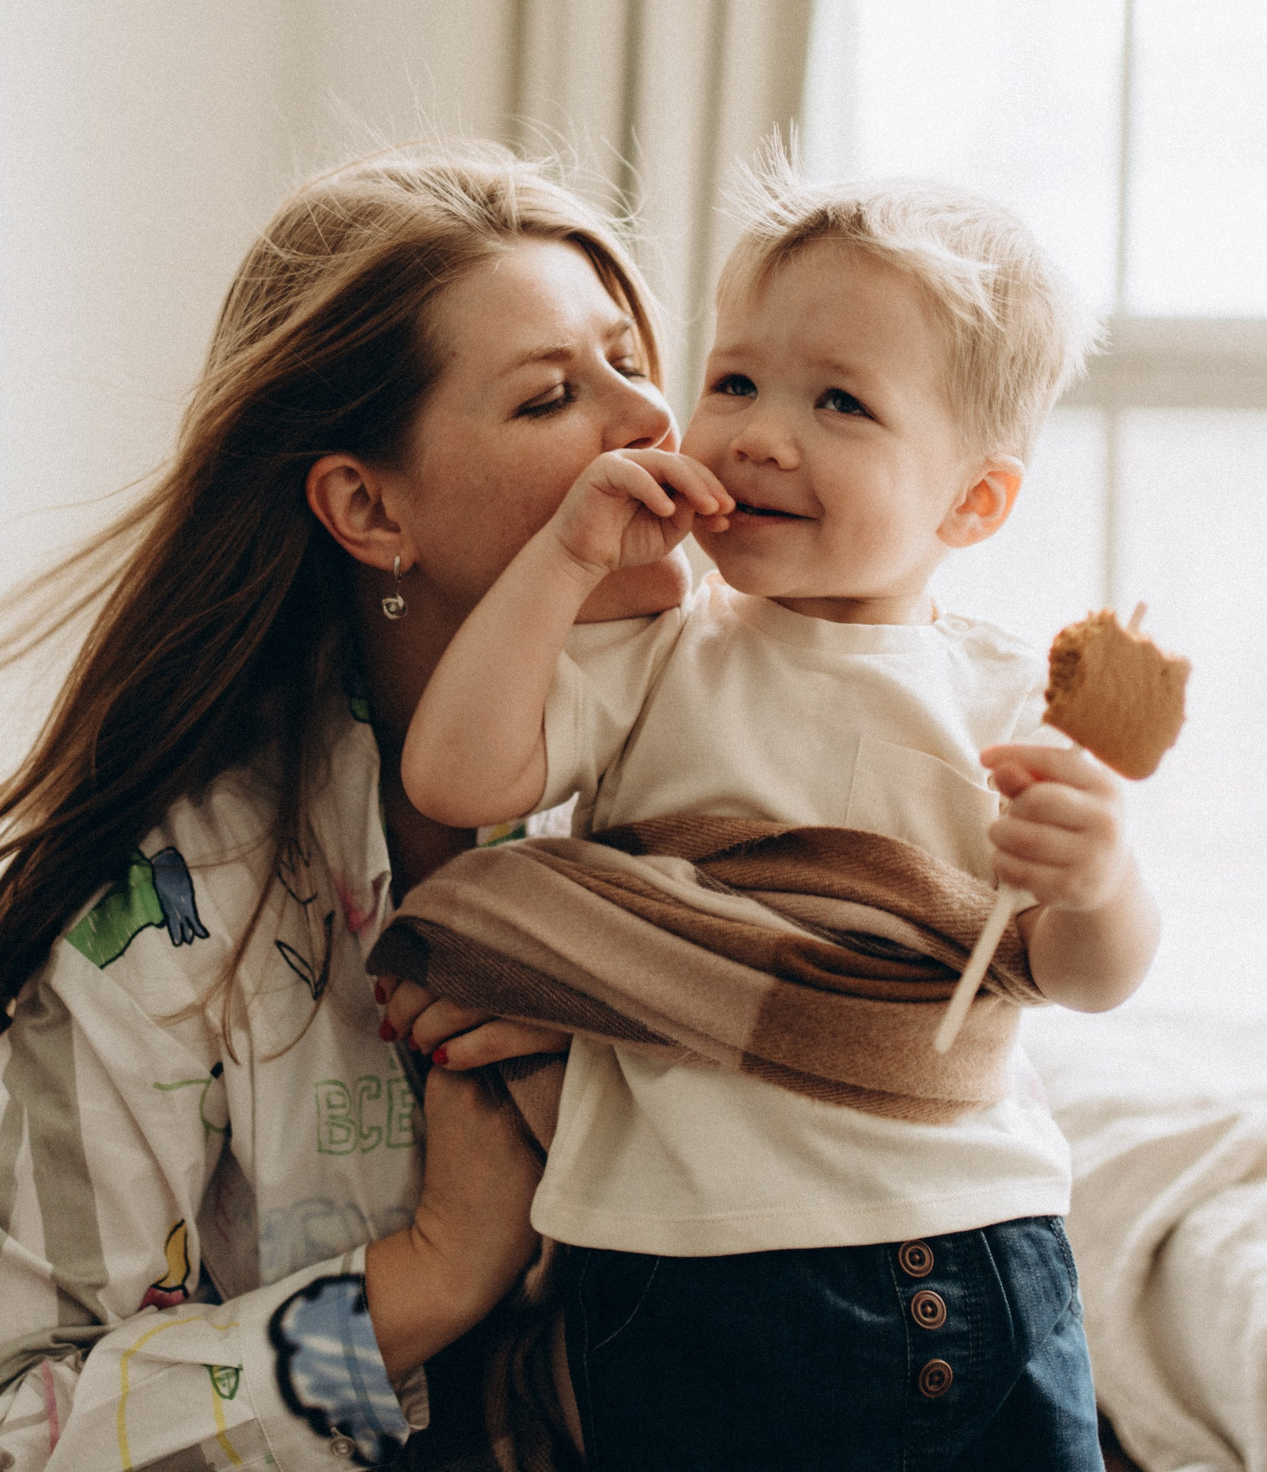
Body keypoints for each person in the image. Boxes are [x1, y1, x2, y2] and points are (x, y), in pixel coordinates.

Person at [0, 140, 693, 1471]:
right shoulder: (174, 907)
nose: (652, 423)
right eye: (551, 397)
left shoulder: (721, 787)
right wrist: (426, 1278)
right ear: (369, 507)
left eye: (630, 360)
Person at [395, 165, 1161, 1469]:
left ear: (972, 502)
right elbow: (457, 781)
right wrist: (569, 559)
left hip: (940, 1243)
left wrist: (1100, 881)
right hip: (660, 1270)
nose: (756, 434)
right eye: (735, 381)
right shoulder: (655, 659)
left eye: (841, 403)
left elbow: (1081, 977)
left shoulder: (1006, 698)